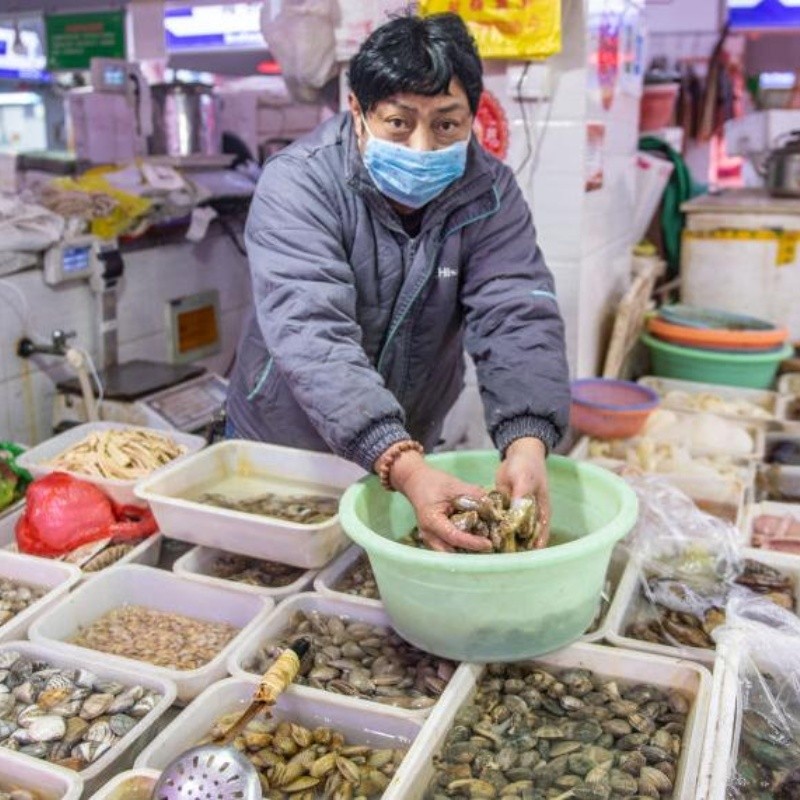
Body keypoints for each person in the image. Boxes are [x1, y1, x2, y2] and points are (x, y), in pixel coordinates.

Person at [226, 12, 570, 553]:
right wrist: (401, 463)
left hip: (409, 443)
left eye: (447, 125)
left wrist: (527, 440)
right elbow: (312, 333)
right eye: (399, 123)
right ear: (357, 111)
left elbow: (516, 312)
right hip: (290, 447)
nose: (422, 147)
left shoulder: (491, 194)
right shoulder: (299, 183)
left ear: (473, 117)